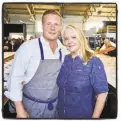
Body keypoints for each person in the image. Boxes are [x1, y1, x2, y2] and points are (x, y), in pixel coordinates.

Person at [4, 10, 68, 118]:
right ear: (42, 26)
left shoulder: (65, 51)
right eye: (49, 24)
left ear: (61, 27)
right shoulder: (28, 48)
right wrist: (19, 110)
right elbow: (15, 79)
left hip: (56, 107)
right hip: (30, 108)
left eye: (56, 24)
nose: (52, 28)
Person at [57, 25, 109, 118]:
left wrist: (95, 117)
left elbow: (102, 93)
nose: (69, 42)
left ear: (81, 38)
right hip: (61, 113)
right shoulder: (65, 59)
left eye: (73, 37)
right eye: (66, 39)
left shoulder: (93, 62)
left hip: (82, 114)